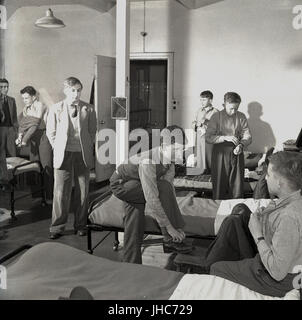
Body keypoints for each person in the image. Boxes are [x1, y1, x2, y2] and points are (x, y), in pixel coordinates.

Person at [203, 151, 302, 297]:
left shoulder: (289, 217)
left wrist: (258, 235)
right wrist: (266, 213)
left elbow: (277, 272)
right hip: (276, 258)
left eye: (268, 174)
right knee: (240, 210)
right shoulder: (294, 198)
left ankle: (209, 267)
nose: (266, 179)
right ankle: (223, 258)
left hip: (277, 279)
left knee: (216, 268)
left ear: (280, 183)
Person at [110, 125, 193, 264]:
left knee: (163, 188)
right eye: (176, 149)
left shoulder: (170, 161)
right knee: (137, 207)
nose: (179, 154)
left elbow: (168, 191)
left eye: (181, 149)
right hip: (122, 185)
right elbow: (152, 198)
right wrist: (170, 228)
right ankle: (167, 241)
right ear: (164, 145)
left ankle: (133, 260)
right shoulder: (148, 162)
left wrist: (174, 225)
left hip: (137, 181)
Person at [46, 77, 96, 239]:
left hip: (82, 154)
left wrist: (87, 146)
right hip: (63, 154)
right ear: (66, 91)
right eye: (73, 90)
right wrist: (58, 147)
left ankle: (81, 224)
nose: (76, 94)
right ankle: (57, 227)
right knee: (60, 192)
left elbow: (92, 131)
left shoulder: (89, 109)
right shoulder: (56, 108)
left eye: (79, 90)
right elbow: (50, 132)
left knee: (83, 191)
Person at [206, 92, 252, 199]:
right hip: (219, 153)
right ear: (224, 105)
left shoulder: (241, 116)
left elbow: (248, 136)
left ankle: (236, 210)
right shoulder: (216, 117)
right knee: (219, 185)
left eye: (236, 108)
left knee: (237, 185)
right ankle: (217, 208)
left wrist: (241, 145)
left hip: (237, 152)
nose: (234, 111)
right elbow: (208, 137)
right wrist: (225, 137)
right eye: (231, 108)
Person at [19, 86, 54, 201]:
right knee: (34, 166)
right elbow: (22, 125)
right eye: (23, 98)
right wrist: (20, 137)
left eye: (26, 98)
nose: (24, 101)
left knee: (46, 166)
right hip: (33, 138)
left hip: (43, 136)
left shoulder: (41, 105)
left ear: (34, 97)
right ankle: (37, 195)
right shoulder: (26, 109)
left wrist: (24, 139)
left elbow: (35, 123)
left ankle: (50, 196)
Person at [192, 90, 218, 173]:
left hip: (209, 137)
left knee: (208, 154)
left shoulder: (215, 112)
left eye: (204, 100)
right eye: (201, 100)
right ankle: (200, 169)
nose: (202, 102)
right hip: (199, 136)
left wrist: (206, 122)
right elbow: (193, 122)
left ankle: (210, 170)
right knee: (199, 153)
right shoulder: (198, 111)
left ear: (210, 100)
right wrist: (196, 125)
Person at [0, 78, 18, 157]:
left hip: (11, 129)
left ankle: (13, 169)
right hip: (1, 128)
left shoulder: (12, 100)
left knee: (12, 151)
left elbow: (14, 117)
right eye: (2, 87)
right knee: (1, 150)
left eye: (7, 87)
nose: (5, 89)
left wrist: (16, 130)